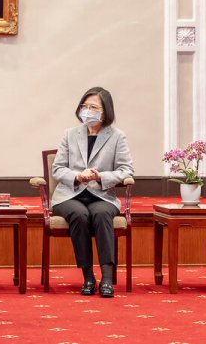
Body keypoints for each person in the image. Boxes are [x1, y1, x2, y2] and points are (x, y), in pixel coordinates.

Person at [50, 87, 134, 298]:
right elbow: (58, 168)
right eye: (84, 106)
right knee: (79, 215)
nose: (88, 111)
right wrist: (78, 176)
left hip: (101, 194)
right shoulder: (69, 134)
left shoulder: (117, 136)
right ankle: (88, 277)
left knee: (102, 213)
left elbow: (126, 170)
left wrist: (100, 176)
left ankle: (106, 278)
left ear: (105, 111)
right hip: (70, 194)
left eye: (93, 107)